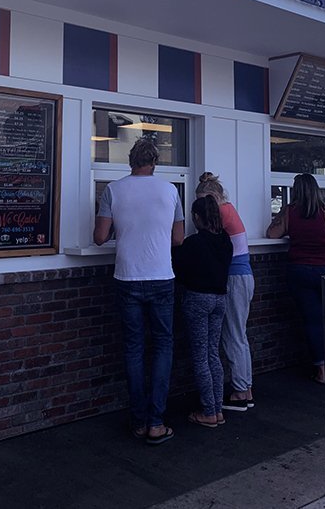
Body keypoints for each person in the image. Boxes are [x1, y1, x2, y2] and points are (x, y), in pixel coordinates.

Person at [93, 138, 184, 444]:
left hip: (127, 276)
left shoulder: (112, 190)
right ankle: (157, 423)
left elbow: (99, 237)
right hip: (161, 276)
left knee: (133, 347)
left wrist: (123, 227)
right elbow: (178, 239)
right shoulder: (171, 190)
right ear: (155, 162)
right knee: (162, 346)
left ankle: (138, 420)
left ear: (130, 161)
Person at [266, 173, 325, 385]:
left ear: (296, 190)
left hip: (300, 271)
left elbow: (271, 235)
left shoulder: (290, 212)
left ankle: (321, 370)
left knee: (313, 321)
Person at [172, 195, 233, 428]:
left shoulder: (194, 243)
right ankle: (217, 409)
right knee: (212, 353)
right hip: (220, 299)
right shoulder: (225, 240)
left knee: (200, 356)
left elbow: (178, 268)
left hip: (198, 299)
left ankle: (208, 411)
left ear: (197, 217)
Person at [196, 172, 255, 412]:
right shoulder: (229, 208)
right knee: (239, 334)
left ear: (215, 196)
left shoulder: (220, 213)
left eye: (205, 200)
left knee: (232, 335)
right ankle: (245, 387)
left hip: (235, 276)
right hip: (243, 275)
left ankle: (240, 391)